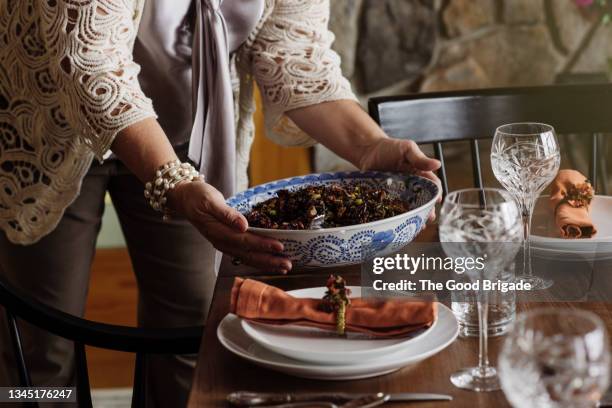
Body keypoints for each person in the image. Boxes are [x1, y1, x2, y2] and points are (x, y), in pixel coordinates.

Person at [0, 0, 441, 406]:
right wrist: (172, 180)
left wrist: (371, 146)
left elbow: (293, 54)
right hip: (52, 123)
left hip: (186, 132)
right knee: (41, 346)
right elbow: (91, 64)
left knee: (191, 333)